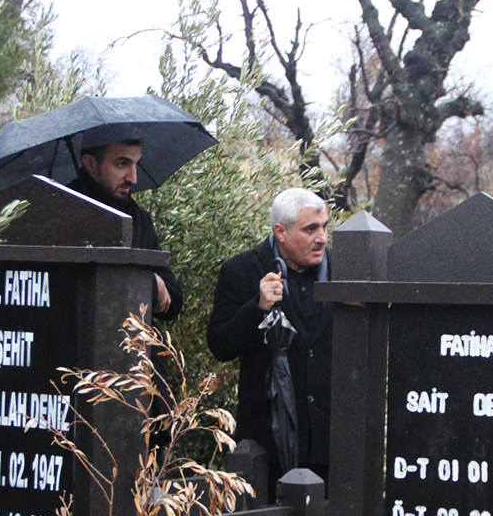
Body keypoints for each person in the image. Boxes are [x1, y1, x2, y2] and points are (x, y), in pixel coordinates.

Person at [208, 188, 331, 495]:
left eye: (325, 227)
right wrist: (257, 307)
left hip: (330, 444)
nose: (322, 238)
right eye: (311, 229)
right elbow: (220, 345)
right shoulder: (241, 270)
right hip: (267, 446)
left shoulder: (342, 271)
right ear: (281, 232)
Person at [68, 138, 182, 319]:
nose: (133, 178)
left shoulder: (138, 218)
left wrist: (152, 285)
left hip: (133, 343)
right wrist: (149, 283)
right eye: (122, 164)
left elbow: (173, 302)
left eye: (136, 165)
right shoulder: (62, 212)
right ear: (90, 163)